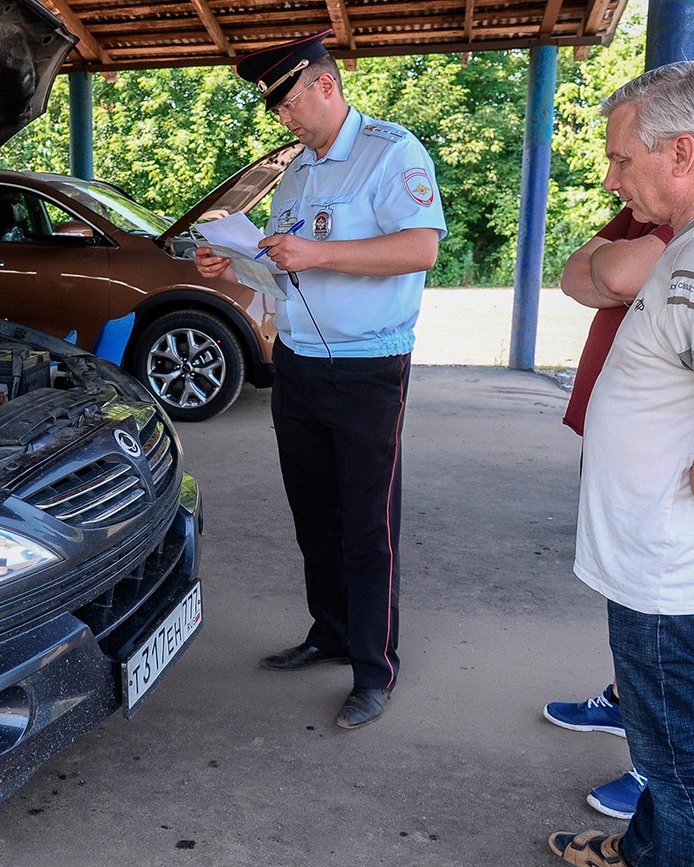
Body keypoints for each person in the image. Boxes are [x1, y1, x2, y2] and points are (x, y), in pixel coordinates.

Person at [546, 60, 694, 867]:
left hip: (674, 573)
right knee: (669, 750)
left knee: (685, 773)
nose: (611, 176)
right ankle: (645, 850)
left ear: (681, 152)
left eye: (621, 158)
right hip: (667, 565)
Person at [194, 32, 446, 729]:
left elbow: (421, 246)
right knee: (315, 513)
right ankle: (330, 632)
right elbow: (289, 266)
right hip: (300, 363)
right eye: (276, 111)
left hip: (369, 368)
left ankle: (374, 669)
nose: (283, 119)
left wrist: (319, 250)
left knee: (370, 527)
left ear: (326, 86)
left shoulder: (391, 152)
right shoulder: (298, 171)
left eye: (289, 103)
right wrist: (237, 264)